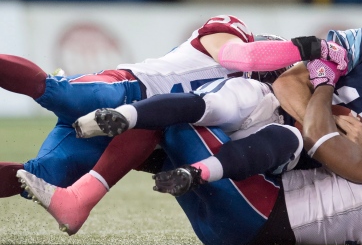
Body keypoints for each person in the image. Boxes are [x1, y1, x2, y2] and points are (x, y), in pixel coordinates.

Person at [18, 60, 362, 245]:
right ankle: (163, 158)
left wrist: (327, 82)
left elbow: (319, 142)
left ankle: (95, 182)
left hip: (259, 208)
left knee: (276, 136)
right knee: (254, 131)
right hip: (251, 216)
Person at [0, 14, 333, 198]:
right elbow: (241, 57)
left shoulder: (258, 104)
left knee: (38, 178)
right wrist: (307, 48)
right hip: (128, 89)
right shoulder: (228, 34)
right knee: (64, 96)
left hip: (124, 135)